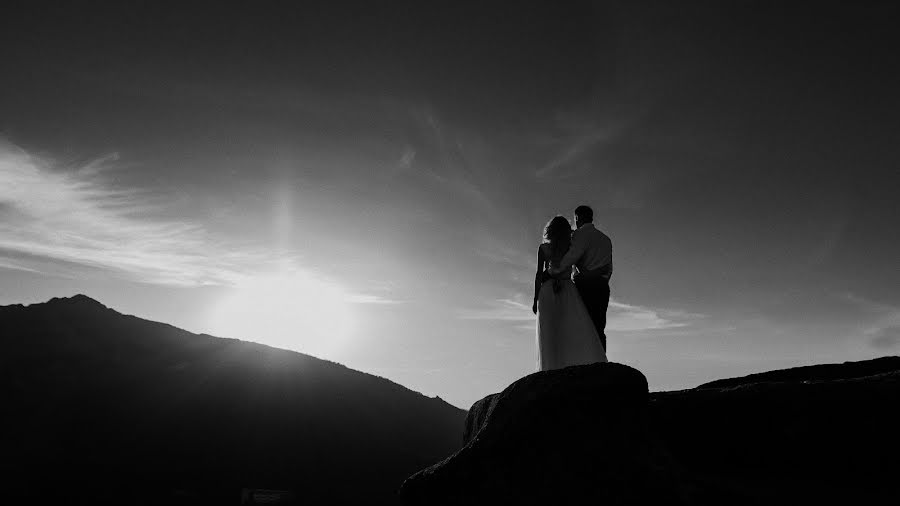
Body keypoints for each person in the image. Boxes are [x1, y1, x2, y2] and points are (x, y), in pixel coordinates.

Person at [532, 215, 607, 371]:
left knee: (549, 331)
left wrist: (535, 298)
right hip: (568, 290)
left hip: (547, 290)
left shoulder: (544, 248)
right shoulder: (571, 248)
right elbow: (580, 267)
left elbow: (539, 275)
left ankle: (550, 367)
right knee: (571, 329)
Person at [549, 205, 613, 351]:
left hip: (584, 286)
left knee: (582, 323)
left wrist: (554, 271)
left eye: (575, 219)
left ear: (578, 218)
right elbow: (609, 269)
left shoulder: (580, 235)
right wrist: (599, 278)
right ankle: (601, 360)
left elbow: (571, 257)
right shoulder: (606, 239)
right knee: (599, 325)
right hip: (602, 286)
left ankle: (585, 360)